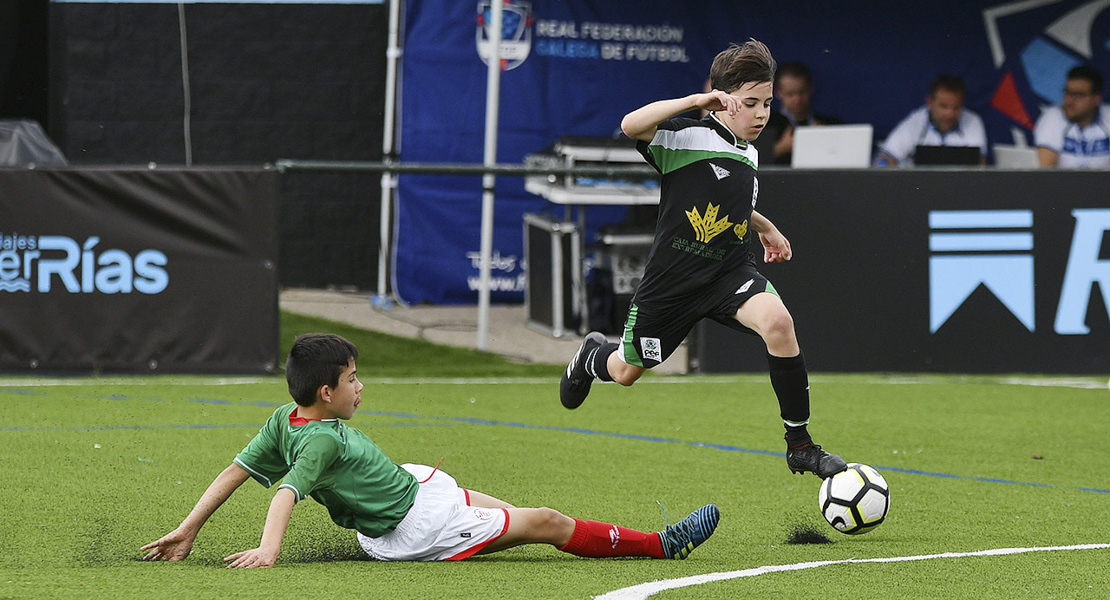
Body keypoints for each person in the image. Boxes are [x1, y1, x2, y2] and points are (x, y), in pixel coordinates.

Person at [141, 333, 719, 567]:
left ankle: (632, 540)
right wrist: (269, 550)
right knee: (545, 521)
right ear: (327, 391)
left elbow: (234, 471)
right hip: (416, 527)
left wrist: (188, 528)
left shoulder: (284, 419)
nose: (360, 386)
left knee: (522, 515)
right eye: (353, 378)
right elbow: (286, 493)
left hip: (415, 487)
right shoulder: (315, 440)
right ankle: (661, 547)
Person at [559, 39, 847, 480]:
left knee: (779, 322)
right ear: (723, 99)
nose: (763, 113)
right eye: (751, 103)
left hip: (728, 270)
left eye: (767, 103)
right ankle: (591, 356)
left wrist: (764, 226)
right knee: (625, 372)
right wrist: (696, 101)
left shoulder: (749, 149)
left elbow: (727, 203)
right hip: (673, 281)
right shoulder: (684, 136)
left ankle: (801, 445)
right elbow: (629, 124)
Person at [874, 74, 987, 166]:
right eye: (943, 106)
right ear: (929, 102)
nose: (950, 113)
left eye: (956, 107)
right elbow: (886, 157)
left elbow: (980, 164)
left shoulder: (972, 121)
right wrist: (882, 166)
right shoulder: (915, 121)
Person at [751, 61, 843, 165]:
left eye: (802, 92)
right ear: (778, 92)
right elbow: (747, 163)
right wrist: (781, 148)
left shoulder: (831, 124)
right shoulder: (764, 123)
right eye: (790, 94)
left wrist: (824, 139)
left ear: (811, 88)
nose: (797, 99)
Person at [1034, 65, 1110, 169]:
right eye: (1067, 92)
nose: (1069, 100)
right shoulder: (1053, 117)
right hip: (1061, 184)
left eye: (1078, 95)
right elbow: (1045, 171)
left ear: (1095, 99)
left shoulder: (1108, 116)